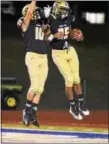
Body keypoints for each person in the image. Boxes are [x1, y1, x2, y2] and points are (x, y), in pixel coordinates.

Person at [47, 1, 90, 120]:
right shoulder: (51, 20)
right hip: (57, 53)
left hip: (69, 50)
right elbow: (45, 38)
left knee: (77, 79)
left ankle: (81, 103)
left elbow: (69, 31)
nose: (65, 12)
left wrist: (77, 35)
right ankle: (72, 106)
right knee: (69, 80)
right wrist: (53, 36)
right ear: (56, 10)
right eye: (62, 10)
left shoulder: (69, 17)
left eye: (65, 10)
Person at [17, 0, 51, 127]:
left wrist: (46, 22)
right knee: (35, 86)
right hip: (32, 56)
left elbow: (47, 36)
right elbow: (30, 12)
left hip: (43, 57)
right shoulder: (26, 24)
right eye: (34, 11)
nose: (37, 13)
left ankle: (32, 112)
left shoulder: (40, 22)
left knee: (40, 89)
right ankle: (26, 110)